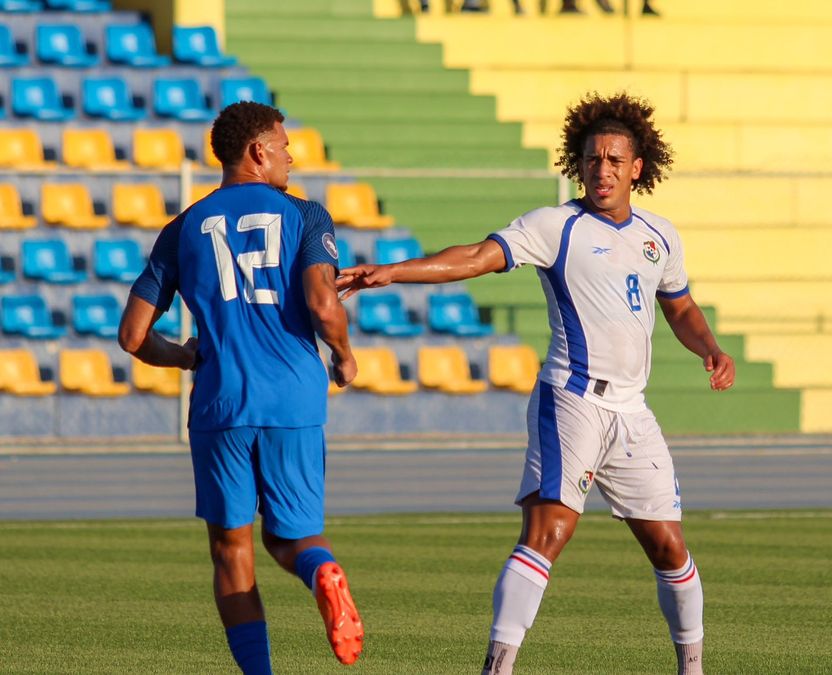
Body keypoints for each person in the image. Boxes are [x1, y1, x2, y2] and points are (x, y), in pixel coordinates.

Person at [337, 91, 734, 675]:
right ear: (579, 164)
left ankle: (693, 667)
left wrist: (711, 349)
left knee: (670, 548)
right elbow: (475, 256)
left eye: (615, 162)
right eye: (592, 160)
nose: (602, 171)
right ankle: (499, 666)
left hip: (633, 413)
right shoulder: (555, 227)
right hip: (571, 400)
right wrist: (392, 273)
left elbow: (680, 307)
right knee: (549, 531)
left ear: (637, 169)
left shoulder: (661, 236)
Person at [117, 101, 364, 673]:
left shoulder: (182, 229)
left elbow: (132, 336)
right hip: (294, 400)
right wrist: (345, 358)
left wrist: (182, 356)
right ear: (258, 151)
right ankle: (321, 569)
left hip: (221, 402)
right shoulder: (307, 215)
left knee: (232, 550)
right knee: (294, 538)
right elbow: (324, 303)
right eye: (283, 145)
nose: (290, 155)